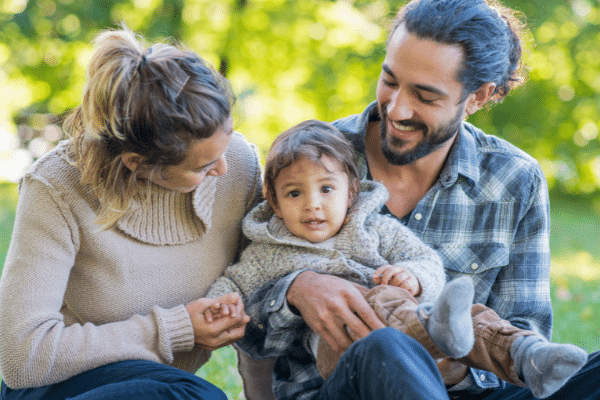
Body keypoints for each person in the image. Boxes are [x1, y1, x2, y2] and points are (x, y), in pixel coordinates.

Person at [235, 0, 600, 399]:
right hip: (345, 386)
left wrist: (453, 370)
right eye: (390, 80)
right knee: (385, 347)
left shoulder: (515, 180)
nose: (397, 107)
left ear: (478, 96)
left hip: (466, 391)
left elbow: (525, 343)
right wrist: (295, 290)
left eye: (425, 96)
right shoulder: (309, 165)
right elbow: (245, 330)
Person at [212, 120, 586, 399]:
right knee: (384, 315)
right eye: (294, 194)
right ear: (274, 203)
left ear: (351, 193)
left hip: (438, 360)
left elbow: (424, 260)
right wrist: (221, 303)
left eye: (326, 189)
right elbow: (234, 287)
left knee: (464, 313)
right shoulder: (269, 250)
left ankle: (527, 354)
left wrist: (412, 277)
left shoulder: (376, 229)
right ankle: (436, 331)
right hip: (338, 354)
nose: (312, 204)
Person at [0, 26, 262, 399]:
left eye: (228, 139)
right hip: (62, 387)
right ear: (137, 163)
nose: (222, 169)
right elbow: (22, 357)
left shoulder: (239, 164)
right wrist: (171, 329)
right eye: (202, 167)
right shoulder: (56, 187)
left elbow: (264, 280)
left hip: (164, 383)